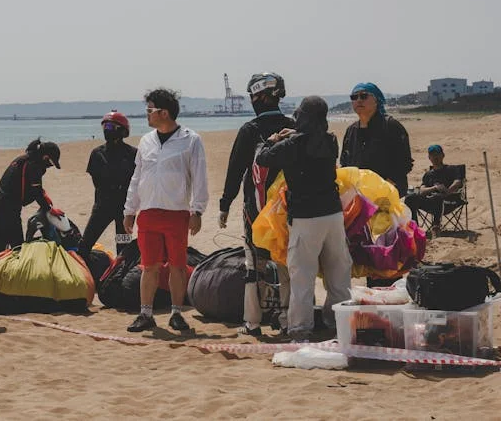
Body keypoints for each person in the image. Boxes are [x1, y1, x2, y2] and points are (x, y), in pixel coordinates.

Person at [255, 96, 352, 341]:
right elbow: (311, 141)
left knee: (302, 275)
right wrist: (293, 135)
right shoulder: (331, 141)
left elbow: (263, 157)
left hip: (306, 217)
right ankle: (337, 324)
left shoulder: (293, 144)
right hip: (333, 214)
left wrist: (274, 138)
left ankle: (300, 328)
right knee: (338, 272)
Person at [123, 88, 208, 332]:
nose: (147, 115)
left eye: (150, 110)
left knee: (177, 266)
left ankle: (176, 313)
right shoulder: (146, 141)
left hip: (177, 213)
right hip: (148, 213)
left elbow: (200, 177)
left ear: (164, 112)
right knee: (148, 266)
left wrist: (197, 211)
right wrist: (130, 210)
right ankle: (145, 313)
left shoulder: (191, 140)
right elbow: (137, 177)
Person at [218, 72, 294, 337]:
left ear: (259, 96)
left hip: (256, 210)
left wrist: (224, 204)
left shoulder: (249, 131)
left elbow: (235, 169)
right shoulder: (293, 125)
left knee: (254, 266)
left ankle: (252, 321)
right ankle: (286, 318)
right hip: (288, 210)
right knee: (286, 264)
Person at [340, 82, 413, 287]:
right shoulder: (351, 131)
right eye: (354, 97)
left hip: (385, 202)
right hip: (359, 204)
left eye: (364, 96)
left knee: (386, 253)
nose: (358, 101)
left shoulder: (391, 126)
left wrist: (386, 188)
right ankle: (373, 301)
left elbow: (404, 163)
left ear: (377, 99)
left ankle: (388, 299)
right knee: (363, 253)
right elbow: (345, 165)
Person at [77, 110, 137, 260]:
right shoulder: (97, 154)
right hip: (102, 207)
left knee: (123, 247)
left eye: (110, 127)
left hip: (125, 209)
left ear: (122, 130)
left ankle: (119, 277)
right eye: (104, 127)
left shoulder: (133, 154)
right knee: (86, 243)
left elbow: (136, 182)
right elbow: (96, 181)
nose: (106, 130)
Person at [0, 138, 63, 252]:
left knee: (0, 246)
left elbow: (32, 186)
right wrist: (49, 209)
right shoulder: (34, 165)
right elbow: (36, 191)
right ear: (45, 158)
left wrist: (44, 195)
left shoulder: (26, 159)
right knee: (17, 247)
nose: (49, 166)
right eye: (51, 163)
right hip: (7, 207)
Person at [404, 144, 463, 235]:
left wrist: (447, 192)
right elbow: (422, 190)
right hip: (431, 203)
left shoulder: (451, 169)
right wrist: (434, 188)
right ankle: (415, 228)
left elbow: (458, 182)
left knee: (437, 196)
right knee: (410, 197)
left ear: (442, 155)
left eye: (437, 154)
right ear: (429, 158)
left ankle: (436, 226)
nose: (435, 157)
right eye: (432, 155)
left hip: (450, 201)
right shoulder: (428, 174)